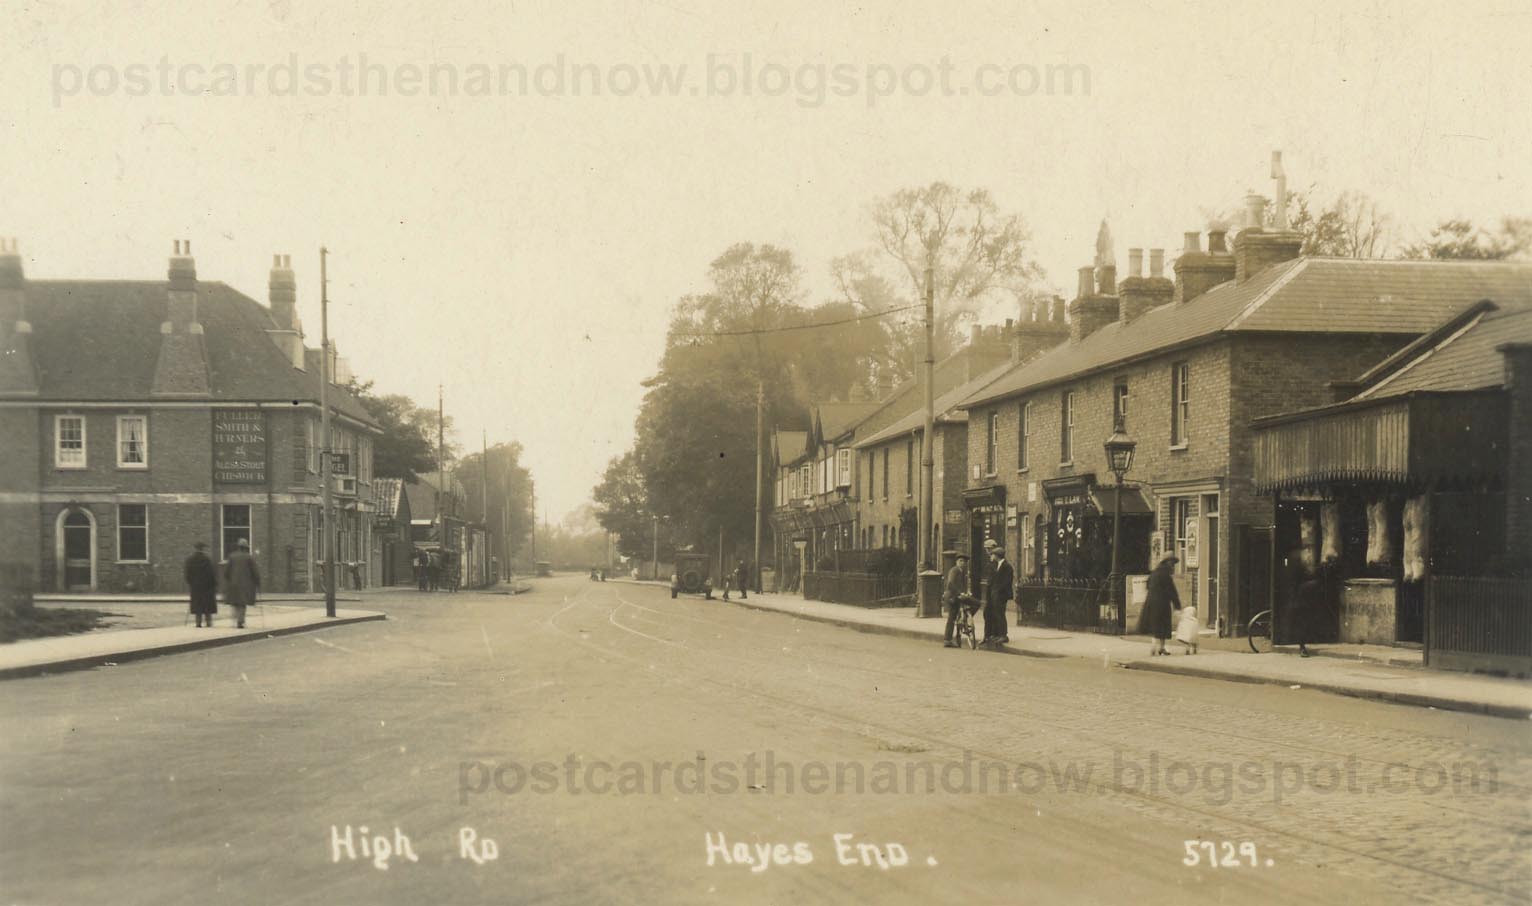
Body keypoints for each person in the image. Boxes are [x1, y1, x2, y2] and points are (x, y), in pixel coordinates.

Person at [1138, 554, 1181, 655]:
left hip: (1151, 602)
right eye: (1172, 563)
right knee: (1163, 625)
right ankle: (1161, 647)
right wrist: (1177, 605)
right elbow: (1171, 591)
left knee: (1154, 625)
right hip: (1163, 603)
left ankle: (1154, 646)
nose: (1173, 566)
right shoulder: (1166, 574)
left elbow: (1147, 585)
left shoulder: (1154, 572)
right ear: (1167, 562)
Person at [223, 538, 260, 629]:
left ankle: (235, 620)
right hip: (245, 585)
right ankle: (240, 621)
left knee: (235, 602)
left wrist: (229, 579)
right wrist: (257, 581)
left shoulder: (231, 556)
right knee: (242, 603)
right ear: (245, 548)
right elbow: (255, 572)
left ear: (238, 547)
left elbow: (226, 572)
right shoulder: (249, 557)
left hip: (233, 584)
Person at [984, 547, 1014, 647]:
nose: (991, 556)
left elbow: (1006, 582)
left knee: (1000, 614)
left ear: (997, 555)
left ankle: (1004, 635)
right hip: (995, 594)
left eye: (993, 554)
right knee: (997, 614)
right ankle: (999, 634)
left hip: (1001, 595)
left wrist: (997, 591)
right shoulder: (997, 565)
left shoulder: (1007, 566)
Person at [184, 541, 218, 628]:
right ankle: (208, 622)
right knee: (207, 604)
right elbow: (211, 574)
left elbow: (187, 574)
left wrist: (191, 583)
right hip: (207, 586)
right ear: (203, 549)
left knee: (197, 604)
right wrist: (213, 584)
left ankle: (198, 623)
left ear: (195, 549)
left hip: (195, 586)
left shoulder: (190, 559)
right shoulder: (207, 559)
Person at [942, 552, 972, 648]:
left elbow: (963, 585)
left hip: (959, 596)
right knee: (952, 617)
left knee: (976, 603)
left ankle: (964, 620)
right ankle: (947, 640)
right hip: (952, 597)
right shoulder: (954, 570)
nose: (963, 563)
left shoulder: (963, 571)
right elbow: (950, 584)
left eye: (964, 561)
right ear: (956, 562)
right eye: (960, 561)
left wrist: (967, 592)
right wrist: (960, 593)